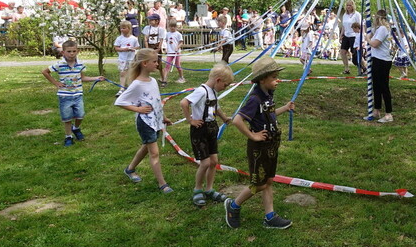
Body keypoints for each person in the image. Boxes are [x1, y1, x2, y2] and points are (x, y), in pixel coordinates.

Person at [225, 56, 296, 229]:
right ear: (262, 79)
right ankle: (233, 206)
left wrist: (285, 108)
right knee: (259, 184)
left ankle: (269, 216)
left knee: (268, 181)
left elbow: (269, 115)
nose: (277, 80)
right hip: (259, 148)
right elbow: (237, 120)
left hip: (271, 146)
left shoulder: (267, 95)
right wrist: (252, 135)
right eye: (273, 78)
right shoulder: (255, 99)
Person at [115, 49, 173, 193]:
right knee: (154, 153)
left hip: (156, 121)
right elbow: (120, 102)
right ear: (145, 63)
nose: (157, 64)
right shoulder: (137, 84)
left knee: (146, 147)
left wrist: (163, 117)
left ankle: (130, 169)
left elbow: (156, 101)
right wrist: (138, 109)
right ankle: (162, 184)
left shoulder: (153, 81)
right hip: (145, 123)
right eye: (154, 61)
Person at [180, 63, 233, 206]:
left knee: (214, 161)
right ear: (218, 80)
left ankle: (209, 189)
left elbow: (217, 107)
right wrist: (190, 120)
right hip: (200, 130)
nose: (225, 88)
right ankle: (198, 190)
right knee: (205, 162)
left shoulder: (213, 92)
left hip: (211, 129)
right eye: (225, 85)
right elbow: (184, 103)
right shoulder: (201, 91)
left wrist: (224, 118)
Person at [41, 40, 105, 146]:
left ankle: (76, 128)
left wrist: (96, 78)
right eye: (69, 51)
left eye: (74, 51)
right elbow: (45, 72)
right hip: (65, 96)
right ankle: (68, 137)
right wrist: (56, 83)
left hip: (77, 95)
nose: (71, 54)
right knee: (67, 118)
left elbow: (83, 78)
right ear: (63, 52)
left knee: (80, 115)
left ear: (78, 51)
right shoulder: (59, 64)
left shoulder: (80, 64)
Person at [367, 10, 394, 123]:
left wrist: (367, 38)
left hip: (383, 61)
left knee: (383, 87)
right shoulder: (379, 29)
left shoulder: (383, 29)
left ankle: (388, 114)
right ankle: (377, 110)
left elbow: (374, 44)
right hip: (377, 59)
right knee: (376, 86)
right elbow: (372, 31)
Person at [113, 21, 140, 96]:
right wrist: (124, 49)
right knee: (122, 73)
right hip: (122, 59)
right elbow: (116, 48)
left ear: (129, 28)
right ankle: (122, 88)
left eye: (124, 28)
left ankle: (131, 88)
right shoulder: (119, 38)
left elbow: (137, 46)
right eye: (121, 28)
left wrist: (132, 48)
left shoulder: (134, 39)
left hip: (131, 59)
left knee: (130, 73)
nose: (122, 29)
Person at [142, 14, 167, 87]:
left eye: (152, 20)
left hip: (156, 47)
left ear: (157, 21)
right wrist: (147, 49)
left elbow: (161, 40)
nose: (150, 21)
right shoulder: (147, 28)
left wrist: (158, 49)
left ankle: (163, 79)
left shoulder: (161, 29)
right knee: (146, 64)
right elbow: (145, 39)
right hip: (149, 47)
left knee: (159, 64)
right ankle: (145, 79)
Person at [340, 0, 361, 74]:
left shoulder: (357, 14)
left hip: (354, 36)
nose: (348, 7)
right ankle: (346, 68)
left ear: (353, 6)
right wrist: (341, 34)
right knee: (342, 51)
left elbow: (360, 25)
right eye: (347, 5)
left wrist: (361, 36)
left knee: (355, 54)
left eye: (350, 5)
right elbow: (343, 26)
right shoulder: (345, 15)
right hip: (346, 35)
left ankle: (363, 67)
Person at [164, 18, 185, 83]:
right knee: (167, 66)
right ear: (169, 26)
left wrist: (177, 47)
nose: (172, 28)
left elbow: (181, 42)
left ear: (176, 26)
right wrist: (165, 48)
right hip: (170, 53)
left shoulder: (178, 34)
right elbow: (166, 41)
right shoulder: (167, 34)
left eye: (174, 26)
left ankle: (181, 77)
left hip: (176, 53)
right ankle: (164, 79)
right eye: (171, 26)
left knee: (178, 65)